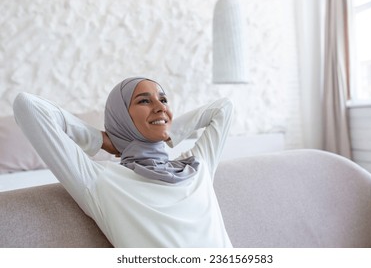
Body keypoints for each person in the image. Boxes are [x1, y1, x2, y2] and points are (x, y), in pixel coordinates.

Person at [13, 77, 233, 248]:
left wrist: (167, 130)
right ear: (121, 119)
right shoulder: (100, 180)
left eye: (163, 100)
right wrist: (103, 140)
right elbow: (28, 106)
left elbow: (224, 108)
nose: (160, 106)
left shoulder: (197, 165)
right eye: (144, 101)